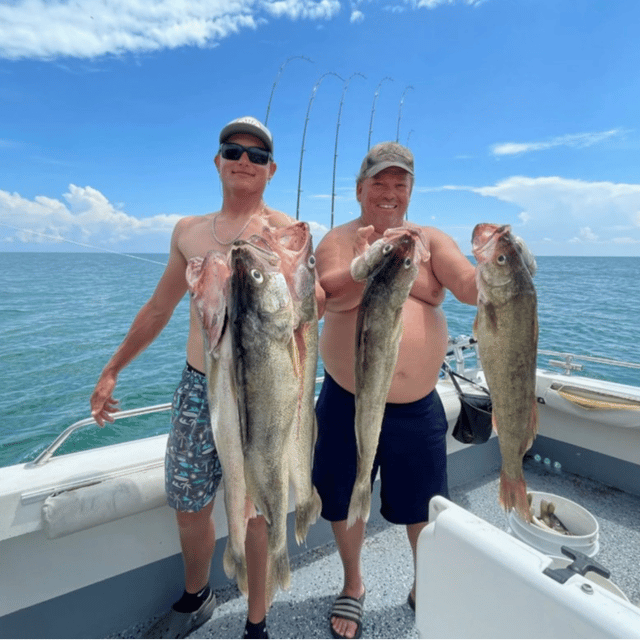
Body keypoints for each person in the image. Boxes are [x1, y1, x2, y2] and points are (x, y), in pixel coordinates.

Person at [90, 116, 292, 640]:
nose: (243, 161)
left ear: (271, 169)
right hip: (198, 387)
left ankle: (256, 619)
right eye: (233, 151)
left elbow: (307, 312)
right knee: (188, 500)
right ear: (218, 160)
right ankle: (197, 594)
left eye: (256, 155)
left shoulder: (287, 233)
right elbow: (159, 308)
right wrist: (112, 369)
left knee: (254, 509)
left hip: (259, 391)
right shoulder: (189, 231)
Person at [311, 141, 479, 640]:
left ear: (410, 191)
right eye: (378, 183)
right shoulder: (340, 240)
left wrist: (495, 268)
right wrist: (372, 264)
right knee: (341, 498)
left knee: (423, 507)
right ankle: (354, 582)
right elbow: (325, 293)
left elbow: (468, 285)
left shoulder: (432, 239)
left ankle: (423, 580)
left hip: (414, 407)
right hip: (347, 399)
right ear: (360, 189)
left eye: (399, 183)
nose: (388, 192)